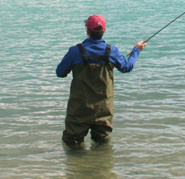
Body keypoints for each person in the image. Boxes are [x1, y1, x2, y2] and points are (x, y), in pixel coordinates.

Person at [56, 14, 147, 147]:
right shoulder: (112, 51)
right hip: (103, 110)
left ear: (87, 31)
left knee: (72, 143)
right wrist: (136, 51)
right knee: (102, 145)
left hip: (79, 110)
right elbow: (127, 67)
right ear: (103, 31)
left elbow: (60, 73)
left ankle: (75, 167)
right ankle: (101, 166)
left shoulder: (75, 52)